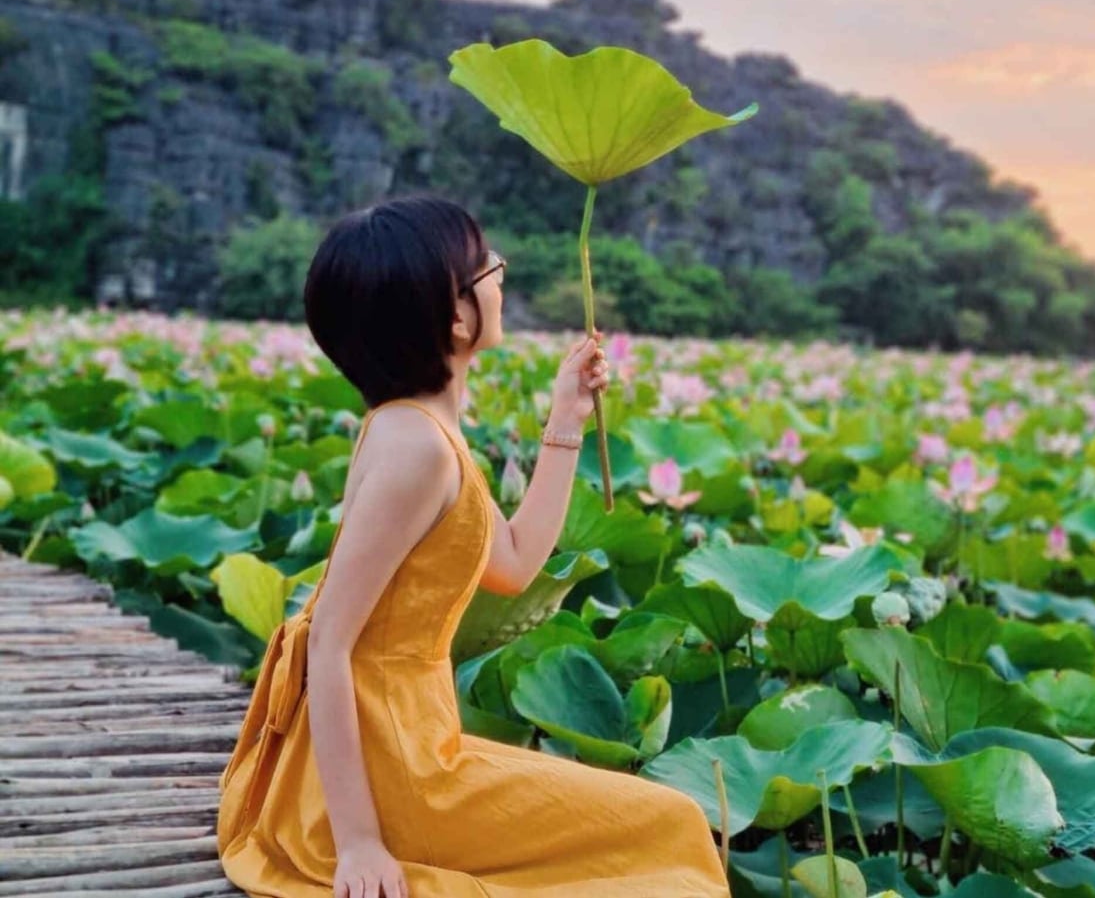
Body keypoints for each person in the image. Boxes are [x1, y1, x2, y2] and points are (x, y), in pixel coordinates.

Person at [217, 195, 731, 897]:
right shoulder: (416, 450)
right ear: (456, 316)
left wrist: (565, 413)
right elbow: (331, 639)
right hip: (398, 778)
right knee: (668, 827)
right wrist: (360, 842)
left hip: (417, 744)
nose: (499, 275)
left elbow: (515, 563)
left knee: (666, 824)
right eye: (486, 265)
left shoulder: (418, 429)